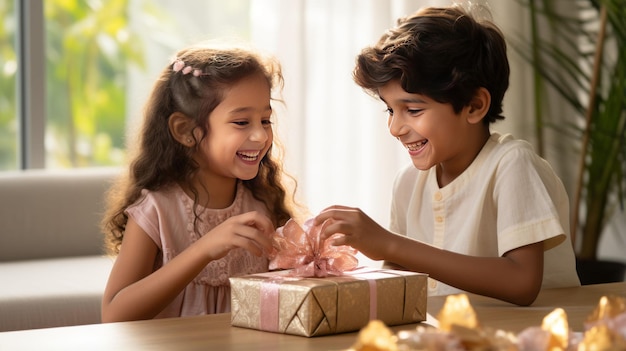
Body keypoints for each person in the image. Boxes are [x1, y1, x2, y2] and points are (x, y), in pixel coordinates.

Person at [315, 5, 580, 306]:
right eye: (390, 109)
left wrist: (389, 244)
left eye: (412, 110)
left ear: (474, 105)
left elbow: (522, 282)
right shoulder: (407, 183)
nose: (394, 128)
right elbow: (400, 290)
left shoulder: (512, 164)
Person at [100, 42, 298, 322]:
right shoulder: (157, 209)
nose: (261, 136)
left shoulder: (264, 204)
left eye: (265, 121)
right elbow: (114, 315)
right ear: (186, 131)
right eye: (242, 122)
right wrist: (204, 250)